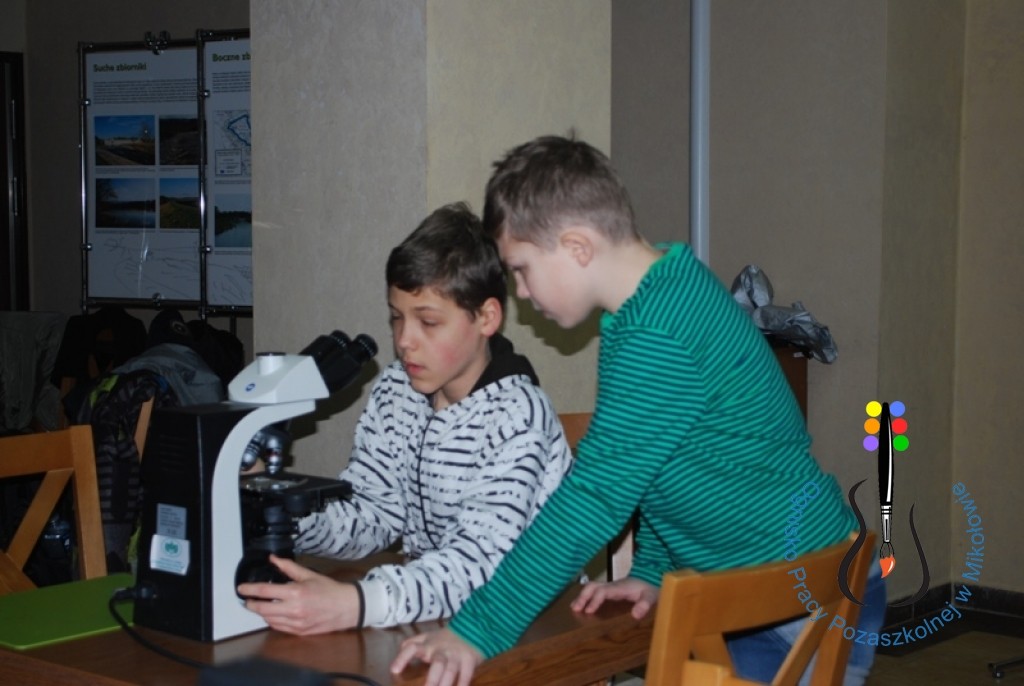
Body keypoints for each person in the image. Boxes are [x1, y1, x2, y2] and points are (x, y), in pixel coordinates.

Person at [390, 135, 886, 686]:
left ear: (577, 247)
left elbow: (595, 497)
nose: (522, 293)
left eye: (522, 269)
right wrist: (652, 569)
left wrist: (476, 629)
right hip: (772, 586)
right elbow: (666, 462)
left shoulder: (655, 334)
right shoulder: (666, 288)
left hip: (797, 600)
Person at [237, 202, 573, 632]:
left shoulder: (519, 416)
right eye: (397, 318)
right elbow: (372, 515)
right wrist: (280, 513)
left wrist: (357, 603)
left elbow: (482, 566)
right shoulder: (397, 390)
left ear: (487, 318)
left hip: (530, 620)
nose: (404, 341)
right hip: (432, 612)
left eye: (428, 322)